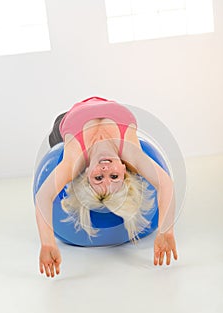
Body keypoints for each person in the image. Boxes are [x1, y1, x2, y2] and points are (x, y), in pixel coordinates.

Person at [35, 96, 178, 278]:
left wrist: (47, 243)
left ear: (86, 173)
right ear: (124, 169)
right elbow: (165, 184)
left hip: (66, 121)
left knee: (56, 135)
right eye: (114, 176)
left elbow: (43, 197)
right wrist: (166, 230)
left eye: (99, 178)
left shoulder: (73, 161)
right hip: (103, 103)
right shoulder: (131, 153)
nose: (106, 169)